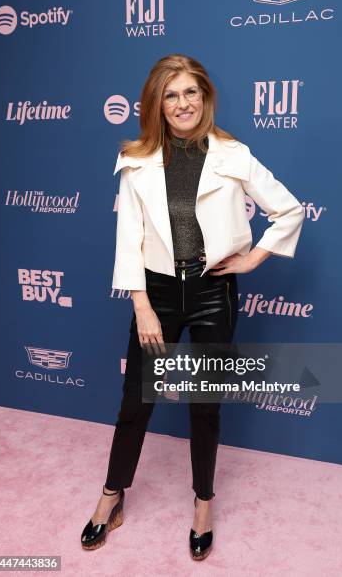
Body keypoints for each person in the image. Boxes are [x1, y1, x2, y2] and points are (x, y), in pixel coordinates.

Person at [81, 54, 304, 560]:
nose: (182, 103)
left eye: (191, 93)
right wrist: (141, 306)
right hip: (155, 295)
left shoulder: (232, 154)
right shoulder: (136, 161)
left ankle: (204, 502)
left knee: (205, 405)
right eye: (171, 94)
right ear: (156, 102)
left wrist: (253, 259)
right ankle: (112, 496)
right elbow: (128, 239)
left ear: (204, 98)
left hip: (212, 293)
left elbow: (289, 208)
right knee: (136, 403)